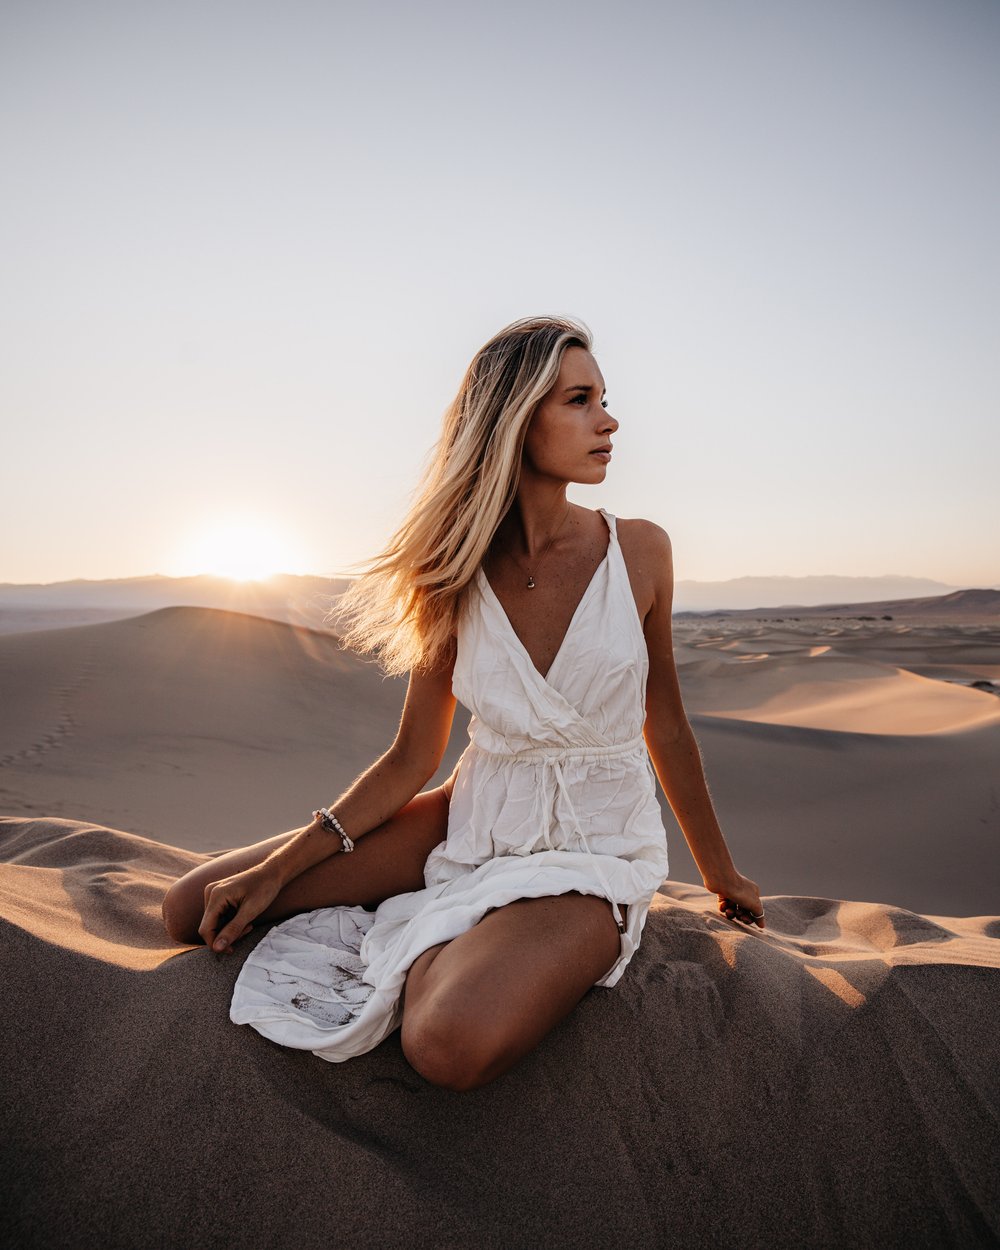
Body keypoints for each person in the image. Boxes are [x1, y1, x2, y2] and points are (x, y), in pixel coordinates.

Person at [161, 314, 764, 1091]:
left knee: (444, 1043)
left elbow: (667, 723)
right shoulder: (450, 568)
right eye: (579, 400)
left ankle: (444, 945)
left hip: (593, 850)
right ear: (514, 419)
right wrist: (279, 870)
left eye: (604, 399)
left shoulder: (641, 551)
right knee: (190, 908)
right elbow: (412, 756)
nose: (609, 421)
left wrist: (722, 874)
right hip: (471, 817)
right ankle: (445, 923)